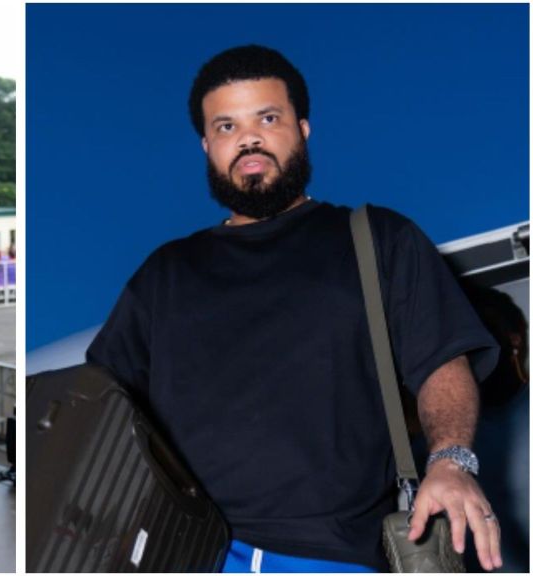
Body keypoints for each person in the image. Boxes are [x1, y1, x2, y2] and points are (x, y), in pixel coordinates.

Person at [86, 45, 503, 572]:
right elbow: (99, 405)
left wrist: (451, 461)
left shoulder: (377, 239)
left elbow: (444, 364)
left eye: (267, 117)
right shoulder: (163, 274)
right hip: (184, 552)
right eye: (226, 127)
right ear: (207, 146)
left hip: (331, 555)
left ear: (302, 129)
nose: (248, 139)